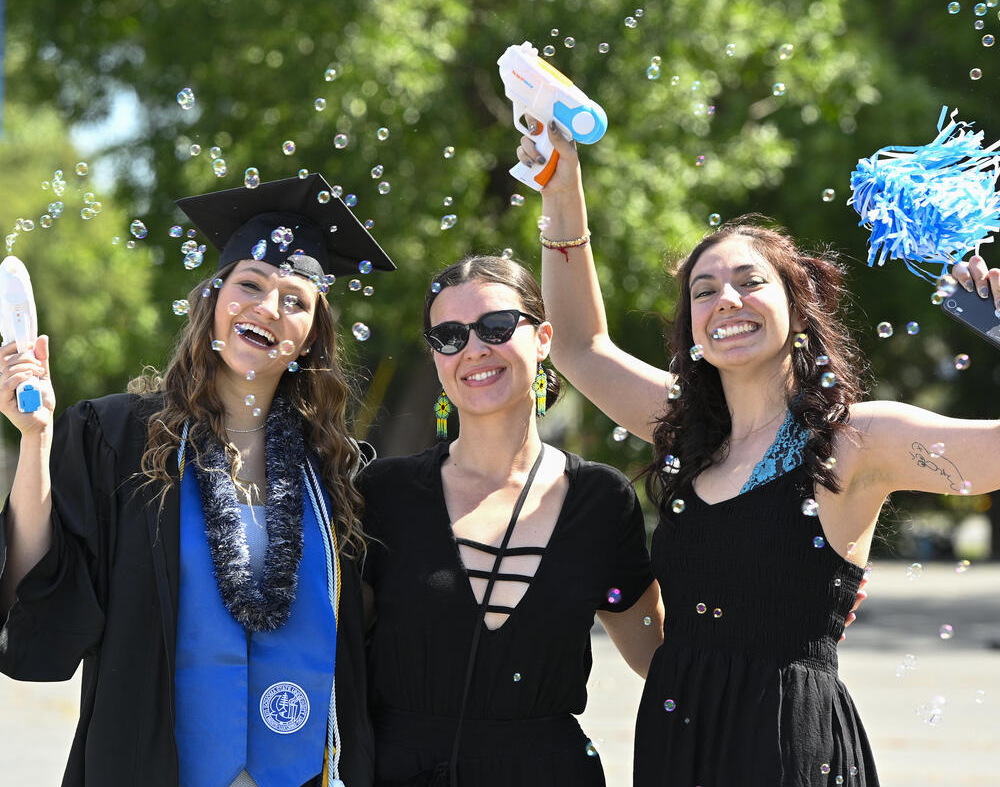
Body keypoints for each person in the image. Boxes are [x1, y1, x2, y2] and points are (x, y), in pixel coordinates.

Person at [516, 126, 1000, 786]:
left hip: (789, 747)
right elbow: (576, 345)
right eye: (704, 290)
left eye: (750, 282)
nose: (727, 301)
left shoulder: (855, 441)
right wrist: (561, 182)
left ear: (797, 310)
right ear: (690, 325)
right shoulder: (684, 434)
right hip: (675, 739)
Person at [0, 174, 394, 787]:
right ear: (212, 299)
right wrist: (36, 437)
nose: (267, 308)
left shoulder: (333, 472)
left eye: (296, 300)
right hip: (158, 767)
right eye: (251, 284)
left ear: (311, 336)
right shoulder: (122, 439)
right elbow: (39, 583)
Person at [358, 255, 664, 787]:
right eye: (449, 335)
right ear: (435, 358)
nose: (474, 348)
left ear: (543, 338)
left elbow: (658, 656)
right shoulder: (383, 493)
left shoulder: (601, 500)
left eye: (497, 327)